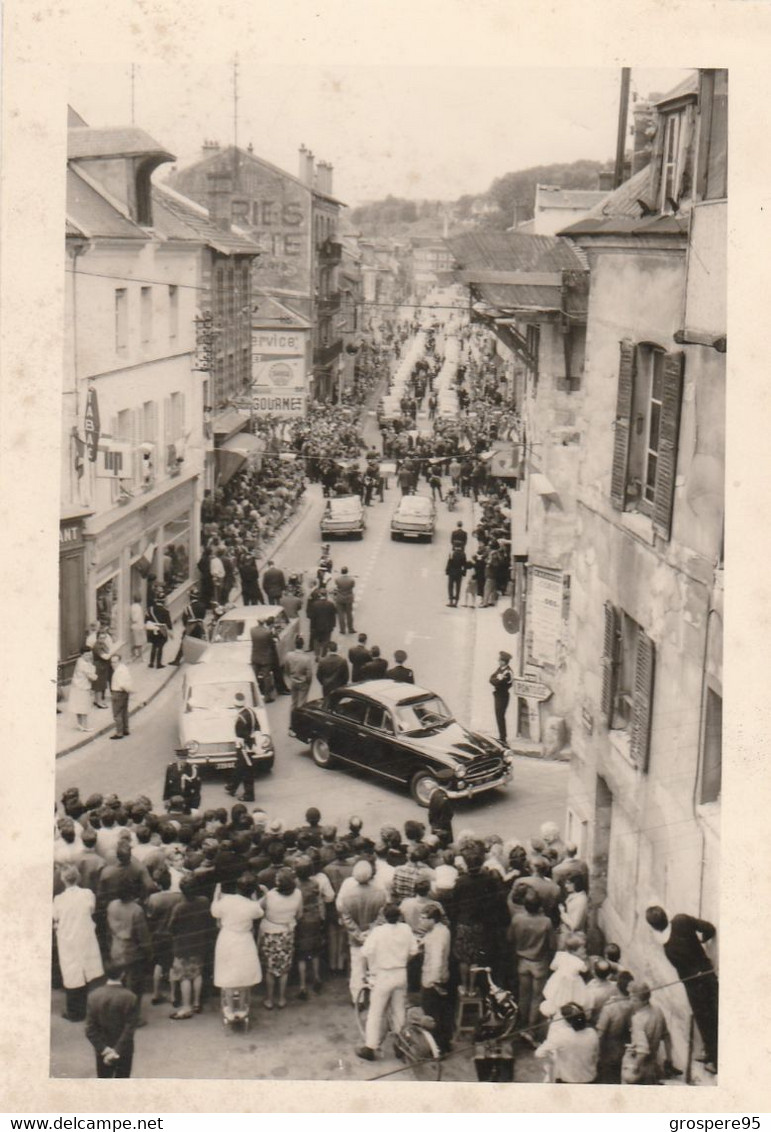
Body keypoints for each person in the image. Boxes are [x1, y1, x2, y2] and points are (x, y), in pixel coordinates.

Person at [645, 906, 719, 1074]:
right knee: (712, 1017)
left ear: (654, 927)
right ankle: (710, 1052)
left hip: (694, 984)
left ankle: (714, 1060)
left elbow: (682, 967)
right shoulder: (681, 920)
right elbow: (709, 929)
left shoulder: (668, 948)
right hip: (708, 974)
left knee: (706, 1021)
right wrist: (702, 942)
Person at [356, 903, 419, 1061]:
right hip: (401, 973)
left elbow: (365, 952)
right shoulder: (406, 929)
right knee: (399, 1011)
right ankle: (400, 1045)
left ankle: (370, 1047)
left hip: (384, 975)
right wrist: (402, 960)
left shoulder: (378, 932)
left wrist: (367, 972)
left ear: (384, 916)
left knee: (376, 1013)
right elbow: (414, 951)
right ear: (398, 916)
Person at [53, 865, 104, 1021]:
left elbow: (56, 918)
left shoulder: (59, 899)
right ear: (78, 877)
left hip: (68, 938)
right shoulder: (87, 894)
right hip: (84, 935)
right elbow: (91, 910)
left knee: (72, 971)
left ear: (63, 879)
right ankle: (86, 1007)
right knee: (86, 970)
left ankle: (75, 1012)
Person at [211, 877, 264, 1025]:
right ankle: (241, 1008)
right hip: (244, 939)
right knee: (243, 973)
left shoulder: (227, 901)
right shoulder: (251, 906)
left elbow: (215, 912)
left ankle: (229, 1008)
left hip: (227, 938)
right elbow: (259, 913)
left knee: (227, 973)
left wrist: (216, 896)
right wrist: (254, 899)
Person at [507, 891, 556, 1045]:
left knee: (523, 995)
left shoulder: (517, 919)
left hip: (523, 961)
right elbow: (553, 945)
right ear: (539, 906)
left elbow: (510, 938)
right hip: (539, 962)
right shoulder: (546, 922)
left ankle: (521, 1025)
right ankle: (531, 1030)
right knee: (536, 998)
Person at [337, 860, 387, 1005]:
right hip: (375, 937)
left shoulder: (347, 896)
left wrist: (358, 934)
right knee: (374, 968)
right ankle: (375, 998)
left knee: (357, 969)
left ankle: (357, 1000)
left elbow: (346, 918)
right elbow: (381, 916)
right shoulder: (380, 893)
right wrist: (371, 932)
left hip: (355, 939)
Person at [167, 875, 212, 1019]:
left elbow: (171, 927)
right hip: (200, 942)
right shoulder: (204, 901)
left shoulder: (179, 907)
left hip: (182, 946)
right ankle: (197, 1003)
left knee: (184, 976)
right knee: (197, 973)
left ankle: (186, 1007)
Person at [259, 868, 303, 1010]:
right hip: (287, 932)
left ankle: (270, 999)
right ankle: (282, 998)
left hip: (270, 933)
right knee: (284, 969)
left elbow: (259, 909)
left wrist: (265, 893)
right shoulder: (298, 894)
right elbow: (299, 914)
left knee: (270, 969)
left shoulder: (270, 895)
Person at [85, 962, 138, 1078]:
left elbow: (89, 1029)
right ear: (123, 975)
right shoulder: (130, 997)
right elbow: (130, 1028)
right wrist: (116, 1051)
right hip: (124, 1050)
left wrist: (104, 1050)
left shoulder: (93, 996)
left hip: (102, 1050)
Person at [622, 981, 679, 1084]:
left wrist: (633, 1068)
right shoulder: (657, 1010)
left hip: (640, 1066)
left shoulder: (638, 1019)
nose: (631, 1002)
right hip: (652, 1064)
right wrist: (669, 1059)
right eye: (630, 998)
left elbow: (643, 1051)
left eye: (634, 1000)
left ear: (643, 1001)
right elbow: (666, 1036)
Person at [535, 1002, 599, 1084]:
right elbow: (596, 1055)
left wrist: (554, 1058)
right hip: (589, 1077)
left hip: (568, 1080)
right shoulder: (592, 1033)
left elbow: (539, 1053)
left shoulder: (561, 1036)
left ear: (567, 1021)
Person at [419, 904, 452, 1053]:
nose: (421, 921)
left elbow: (437, 960)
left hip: (433, 980)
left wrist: (431, 982)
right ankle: (443, 1044)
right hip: (441, 977)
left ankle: (437, 1047)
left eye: (424, 918)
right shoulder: (441, 930)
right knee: (442, 1014)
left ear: (433, 919)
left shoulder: (437, 936)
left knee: (433, 1016)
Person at [595, 970, 635, 1083]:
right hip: (627, 1049)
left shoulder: (610, 1007)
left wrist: (596, 1055)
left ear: (617, 987)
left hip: (609, 1050)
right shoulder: (636, 1004)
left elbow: (600, 1033)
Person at [226, 693, 259, 802]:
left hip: (244, 747)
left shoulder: (240, 719)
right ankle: (232, 786)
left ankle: (249, 794)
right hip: (251, 744)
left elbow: (240, 736)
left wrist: (244, 746)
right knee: (240, 767)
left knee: (246, 771)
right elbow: (257, 728)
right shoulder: (251, 712)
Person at [170, 588, 207, 665]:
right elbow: (203, 616)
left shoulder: (188, 607)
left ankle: (177, 660)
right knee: (199, 642)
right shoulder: (203, 606)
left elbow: (184, 619)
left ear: (190, 597)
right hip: (200, 626)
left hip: (190, 626)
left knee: (184, 642)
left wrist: (186, 626)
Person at [69, 646, 97, 732]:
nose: (88, 657)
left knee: (78, 707)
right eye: (86, 655)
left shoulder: (79, 661)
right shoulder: (85, 665)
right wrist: (94, 672)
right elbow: (93, 677)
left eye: (89, 654)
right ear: (82, 655)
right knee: (84, 707)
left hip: (76, 687)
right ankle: (85, 726)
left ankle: (80, 725)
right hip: (83, 688)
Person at [284, 636, 314, 712]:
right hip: (303, 682)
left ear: (295, 644)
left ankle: (292, 718)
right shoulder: (306, 658)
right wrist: (308, 682)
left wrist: (290, 677)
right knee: (302, 703)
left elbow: (286, 669)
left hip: (293, 681)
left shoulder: (289, 655)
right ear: (303, 645)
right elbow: (309, 674)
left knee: (293, 702)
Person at [489, 650, 513, 744]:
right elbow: (491, 679)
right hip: (498, 695)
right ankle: (502, 737)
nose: (498, 661)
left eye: (500, 660)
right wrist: (497, 680)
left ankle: (503, 738)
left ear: (504, 661)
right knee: (498, 716)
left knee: (500, 716)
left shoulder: (508, 672)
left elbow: (501, 683)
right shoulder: (500, 669)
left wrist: (497, 680)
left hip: (503, 696)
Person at [249, 618, 276, 701]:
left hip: (255, 657)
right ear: (264, 622)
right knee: (266, 677)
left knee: (254, 677)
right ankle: (267, 696)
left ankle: (253, 695)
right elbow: (271, 644)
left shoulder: (252, 630)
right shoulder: (267, 632)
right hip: (265, 657)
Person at [108, 653, 133, 740]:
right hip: (125, 694)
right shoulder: (124, 668)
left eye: (115, 662)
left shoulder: (118, 671)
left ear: (119, 661)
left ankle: (119, 733)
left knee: (117, 714)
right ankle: (126, 729)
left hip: (118, 693)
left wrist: (128, 690)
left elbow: (122, 684)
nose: (113, 664)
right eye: (112, 662)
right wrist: (129, 691)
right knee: (124, 712)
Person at [308, 588, 337, 660]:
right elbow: (334, 614)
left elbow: (312, 617)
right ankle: (323, 655)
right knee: (326, 641)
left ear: (319, 595)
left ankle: (317, 655)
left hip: (317, 626)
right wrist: (333, 625)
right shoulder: (330, 604)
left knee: (316, 640)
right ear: (326, 595)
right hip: (328, 626)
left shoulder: (315, 604)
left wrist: (312, 627)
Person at [146, 591, 172, 669]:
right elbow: (168, 623)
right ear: (163, 601)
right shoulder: (165, 611)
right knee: (160, 647)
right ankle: (158, 664)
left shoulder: (150, 609)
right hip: (161, 630)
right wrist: (170, 629)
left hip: (152, 629)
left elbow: (146, 619)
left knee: (154, 646)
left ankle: (151, 663)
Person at [333, 566, 356, 635]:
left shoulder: (337, 579)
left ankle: (342, 630)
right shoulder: (351, 580)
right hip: (348, 597)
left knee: (341, 614)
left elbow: (337, 586)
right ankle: (350, 629)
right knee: (349, 614)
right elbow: (352, 586)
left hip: (340, 597)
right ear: (347, 571)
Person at [129, 595, 146, 662]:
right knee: (139, 643)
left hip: (134, 626)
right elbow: (135, 618)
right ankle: (140, 657)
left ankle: (135, 655)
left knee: (137, 642)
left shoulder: (132, 606)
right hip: (138, 626)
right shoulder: (138, 607)